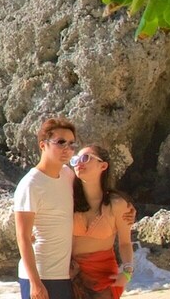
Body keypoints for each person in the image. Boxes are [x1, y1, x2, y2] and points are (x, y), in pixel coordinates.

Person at [15, 117, 79, 299]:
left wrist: (122, 208)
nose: (67, 148)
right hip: (40, 275)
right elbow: (23, 237)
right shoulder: (30, 184)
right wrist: (35, 283)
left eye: (71, 143)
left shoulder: (67, 175)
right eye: (60, 142)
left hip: (63, 274)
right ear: (43, 145)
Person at [69, 145, 136, 299]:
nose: (79, 163)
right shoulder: (69, 200)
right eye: (75, 160)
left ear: (103, 166)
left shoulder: (118, 204)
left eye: (85, 158)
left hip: (103, 275)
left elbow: (125, 243)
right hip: (71, 273)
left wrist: (127, 272)